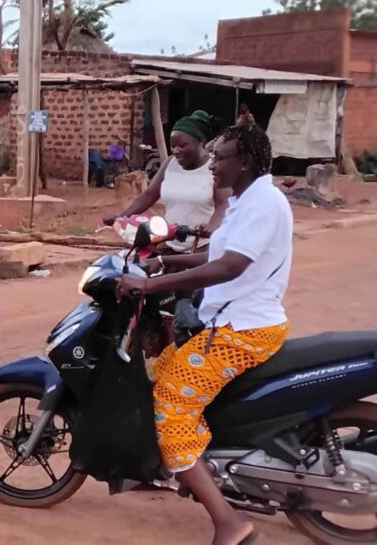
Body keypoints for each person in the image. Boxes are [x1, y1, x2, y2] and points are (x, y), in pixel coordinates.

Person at [116, 120, 292, 545]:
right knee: (156, 372)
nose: (213, 165)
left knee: (171, 406)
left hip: (240, 332)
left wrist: (151, 286)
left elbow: (231, 266)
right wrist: (163, 263)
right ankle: (164, 468)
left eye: (221, 157)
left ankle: (230, 523)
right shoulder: (246, 199)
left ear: (245, 161)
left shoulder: (264, 203)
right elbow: (215, 253)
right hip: (227, 325)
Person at [104, 110, 231, 253]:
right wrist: (121, 216)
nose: (176, 151)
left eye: (182, 146)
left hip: (202, 246)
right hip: (169, 241)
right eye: (173, 146)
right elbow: (150, 194)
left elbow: (224, 204)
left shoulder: (214, 168)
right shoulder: (170, 163)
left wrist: (212, 226)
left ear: (200, 142)